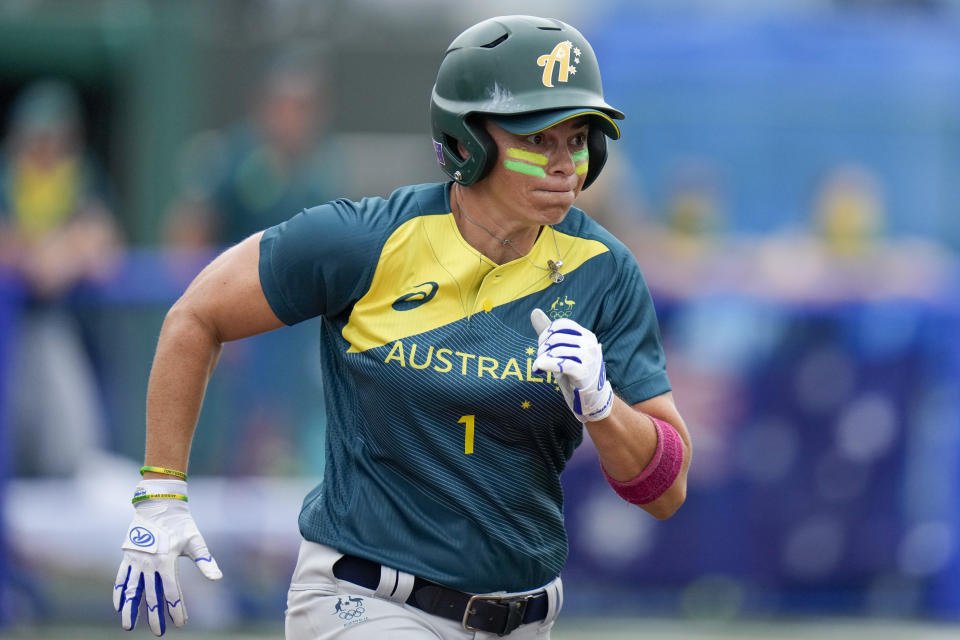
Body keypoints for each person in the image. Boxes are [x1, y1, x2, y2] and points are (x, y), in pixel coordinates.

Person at [113, 15, 691, 639]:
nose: (564, 163)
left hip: (526, 616)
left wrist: (603, 406)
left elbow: (666, 489)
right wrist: (160, 493)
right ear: (468, 142)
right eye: (538, 137)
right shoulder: (366, 238)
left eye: (577, 137)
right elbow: (196, 314)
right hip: (366, 600)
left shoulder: (604, 270)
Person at [0, 78, 123, 477]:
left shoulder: (82, 176)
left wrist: (61, 251)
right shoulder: (8, 177)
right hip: (12, 331)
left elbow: (105, 252)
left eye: (54, 138)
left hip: (68, 331)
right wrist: (36, 253)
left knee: (69, 445)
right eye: (36, 137)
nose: (45, 148)